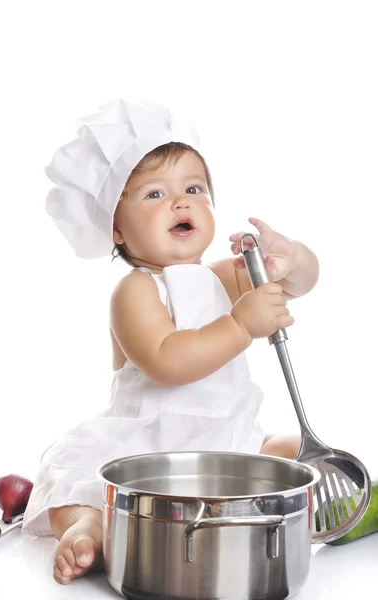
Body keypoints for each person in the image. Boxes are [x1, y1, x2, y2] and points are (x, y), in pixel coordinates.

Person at [22, 97, 319, 585]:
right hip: (145, 450)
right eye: (154, 195)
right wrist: (241, 326)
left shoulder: (223, 277)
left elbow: (295, 286)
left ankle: (309, 510)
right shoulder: (135, 291)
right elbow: (167, 362)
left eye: (194, 188)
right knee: (72, 488)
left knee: (292, 456)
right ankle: (88, 527)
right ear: (116, 227)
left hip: (226, 444)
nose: (181, 202)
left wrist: (292, 261)